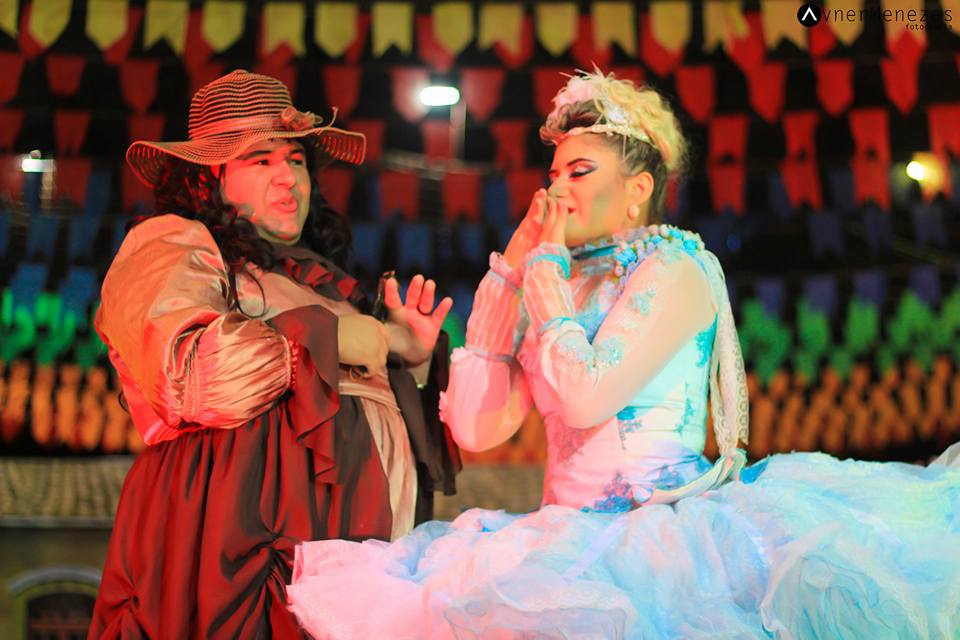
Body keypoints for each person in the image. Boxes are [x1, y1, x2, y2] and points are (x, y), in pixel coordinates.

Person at [286, 71, 960, 639]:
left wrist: (540, 277)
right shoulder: (556, 277)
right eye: (554, 173)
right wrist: (507, 280)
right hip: (563, 542)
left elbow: (586, 397)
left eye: (580, 172)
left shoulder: (674, 266)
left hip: (665, 544)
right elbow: (476, 428)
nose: (558, 190)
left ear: (638, 190)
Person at [88, 70, 460, 638]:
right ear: (208, 177)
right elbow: (186, 375)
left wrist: (406, 357)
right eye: (260, 160)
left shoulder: (319, 278)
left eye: (296, 160)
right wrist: (326, 339)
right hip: (243, 543)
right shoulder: (174, 243)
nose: (288, 178)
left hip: (353, 552)